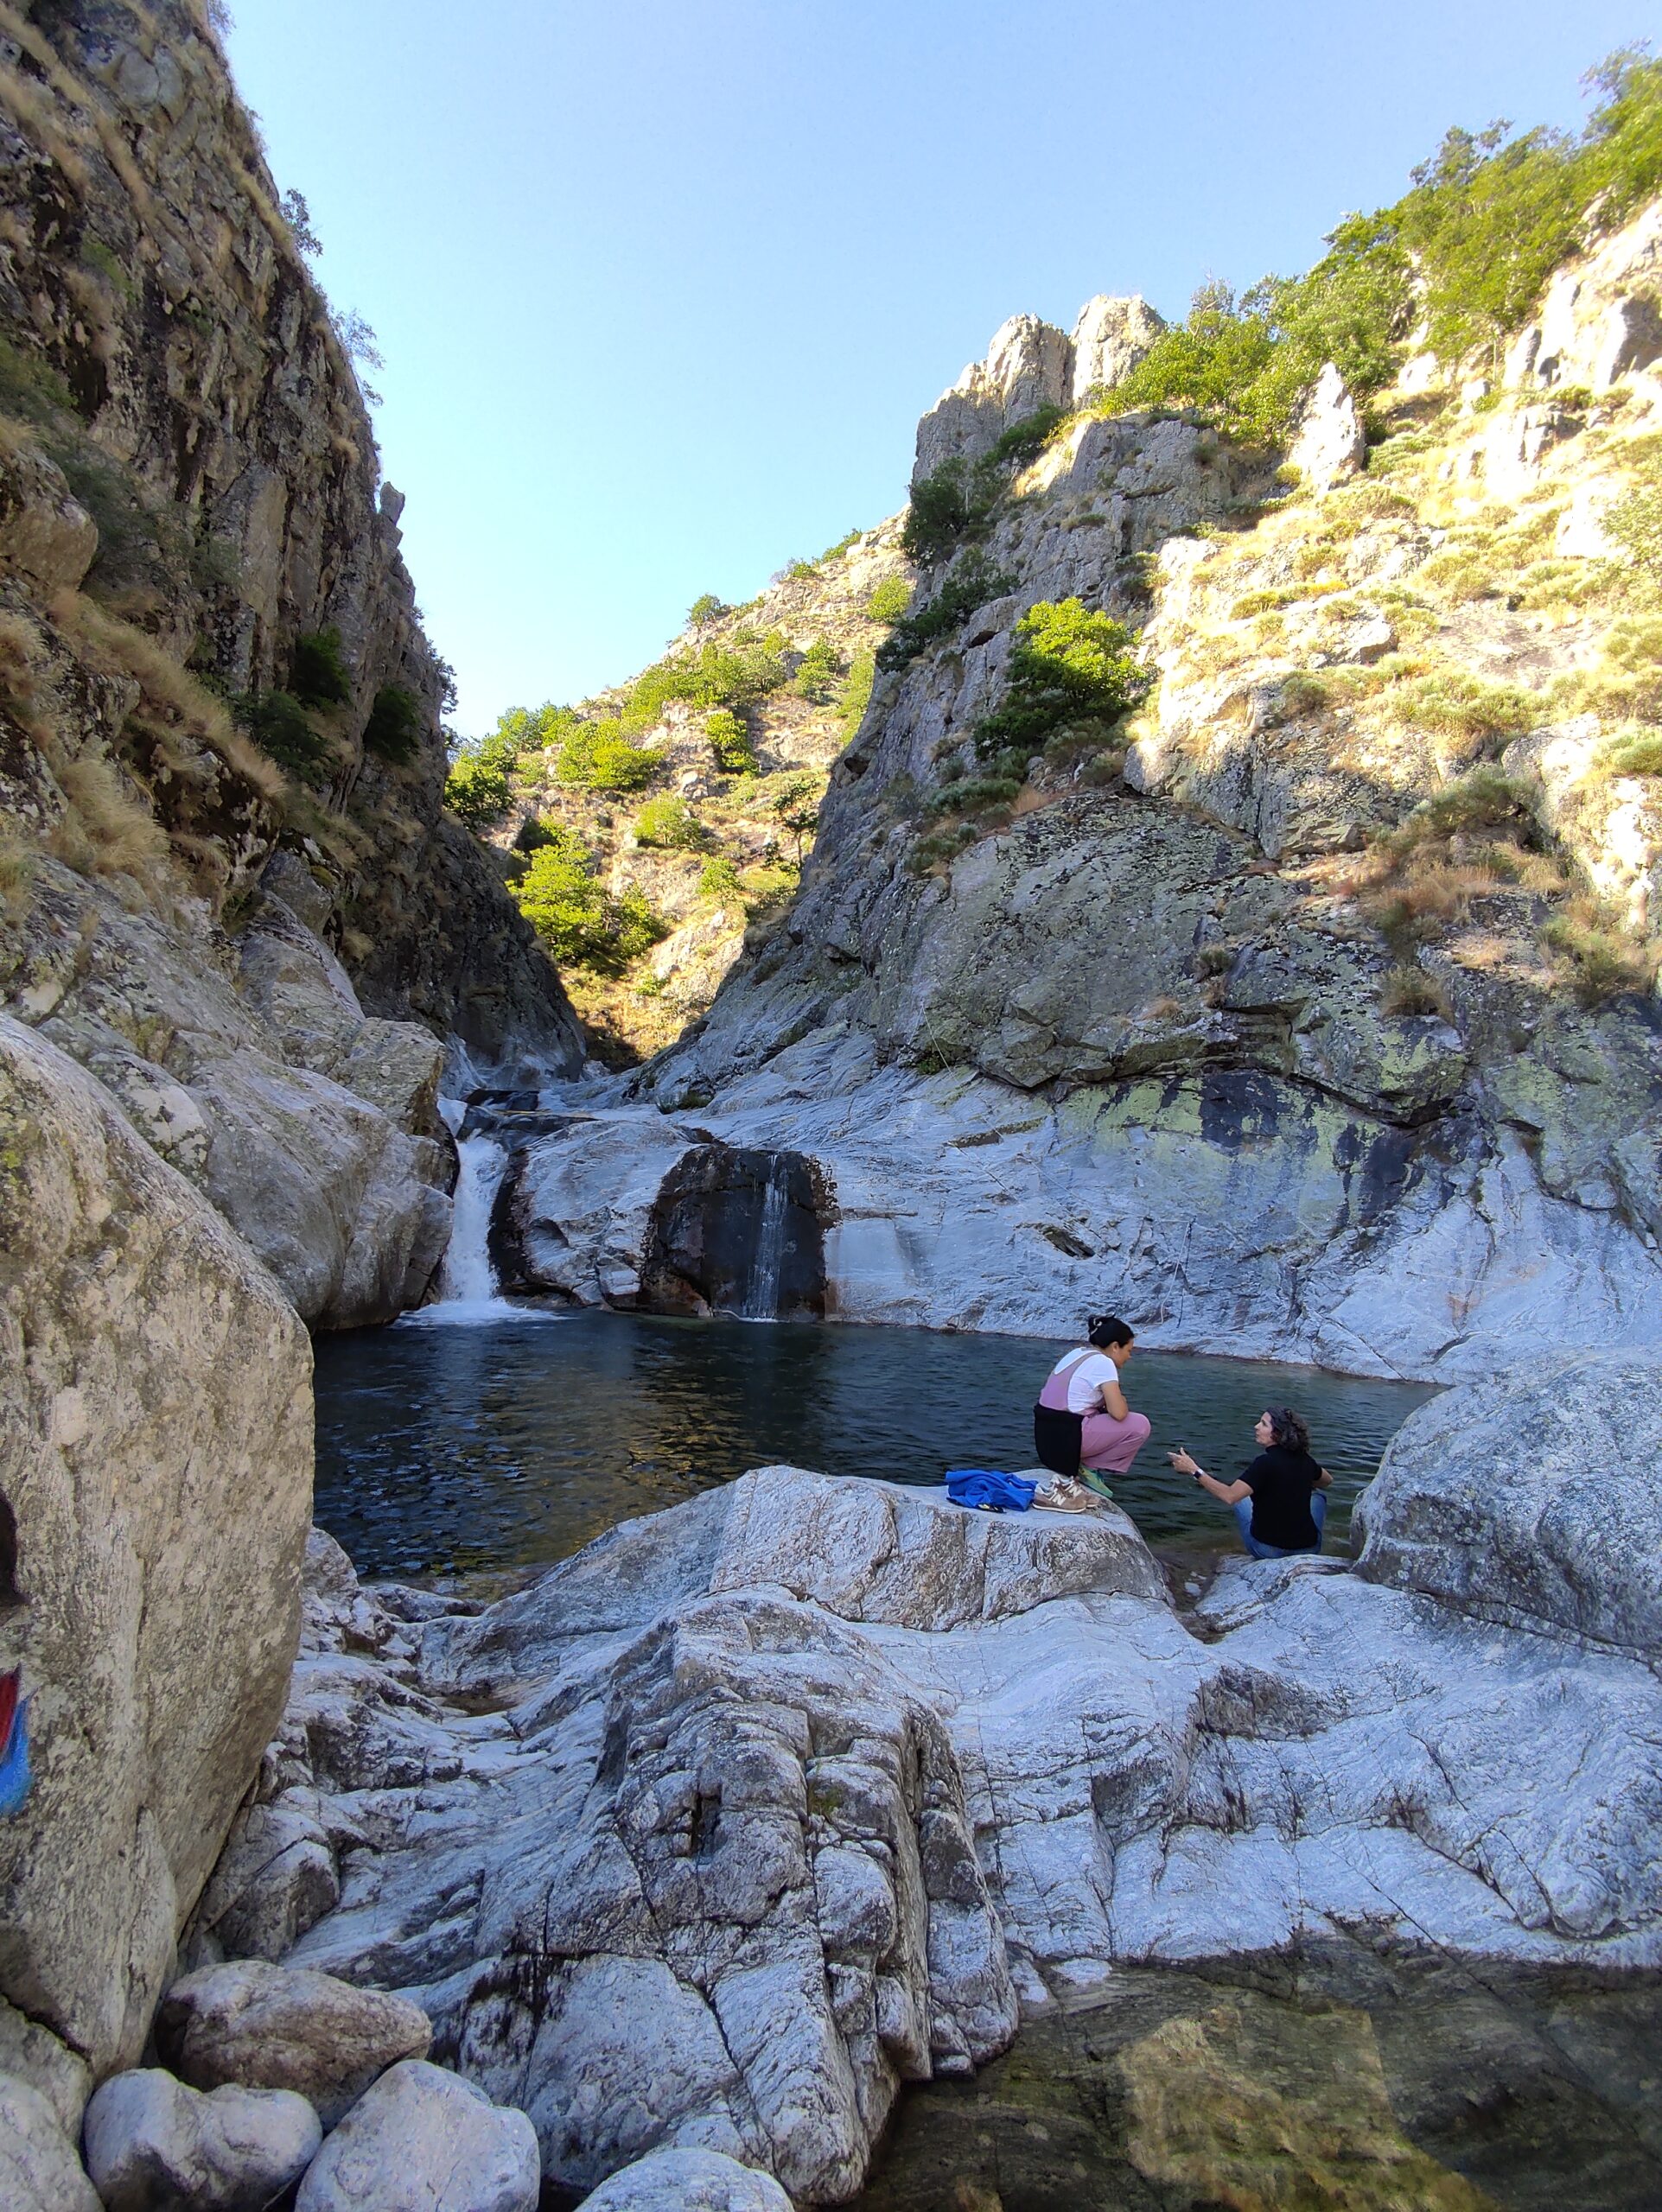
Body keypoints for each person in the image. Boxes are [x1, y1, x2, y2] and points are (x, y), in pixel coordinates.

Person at [1169, 1408, 1332, 1559]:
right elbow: (1327, 1481)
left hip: (1267, 1550)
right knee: (1318, 1497)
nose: (1256, 1427)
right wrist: (1296, 1483)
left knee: (1242, 1499)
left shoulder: (1265, 1463)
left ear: (1277, 1433)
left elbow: (1229, 1496)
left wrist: (1194, 1470)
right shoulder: (1306, 1460)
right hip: (1308, 1549)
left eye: (1263, 1424)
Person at [1034, 1317, 1152, 1501]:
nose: (1130, 1356)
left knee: (1100, 1412)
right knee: (1139, 1425)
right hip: (1067, 1440)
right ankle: (1089, 1467)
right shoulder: (1104, 1363)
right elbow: (1119, 1413)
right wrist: (1121, 1399)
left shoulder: (1077, 1353)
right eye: (1129, 1350)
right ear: (1115, 1347)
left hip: (1046, 1440)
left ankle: (1083, 1466)